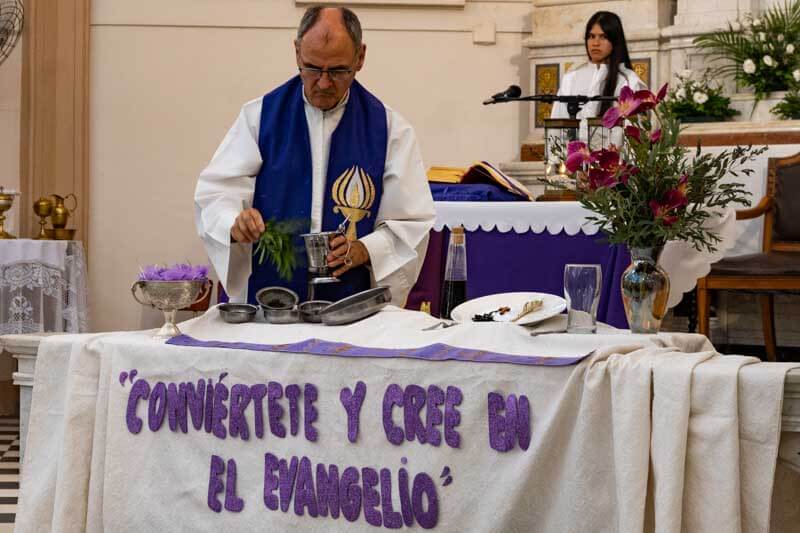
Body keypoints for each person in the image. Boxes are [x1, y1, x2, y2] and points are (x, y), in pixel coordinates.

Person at [194, 6, 435, 306]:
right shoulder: (259, 118)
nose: (323, 83)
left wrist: (365, 249)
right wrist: (234, 221)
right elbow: (216, 193)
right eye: (311, 68)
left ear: (360, 57)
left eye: (337, 71)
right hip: (271, 309)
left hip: (351, 311)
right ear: (296, 52)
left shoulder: (389, 129)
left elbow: (411, 222)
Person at [550, 11, 646, 120]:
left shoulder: (629, 81)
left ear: (615, 41)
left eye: (603, 37)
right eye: (591, 36)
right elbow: (557, 124)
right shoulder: (571, 79)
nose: (595, 43)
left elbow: (635, 128)